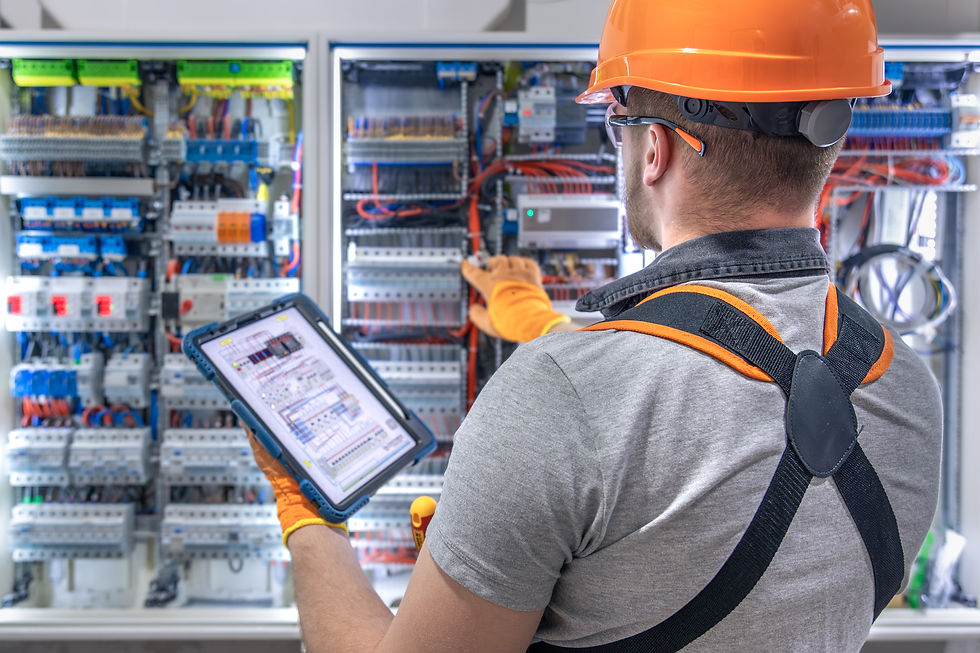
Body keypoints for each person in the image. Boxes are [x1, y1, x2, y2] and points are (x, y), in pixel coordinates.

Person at [248, 0, 943, 650]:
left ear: (655, 151)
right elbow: (742, 385)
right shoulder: (907, 388)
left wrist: (309, 516)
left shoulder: (555, 396)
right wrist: (543, 325)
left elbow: (632, 403)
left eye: (621, 122)